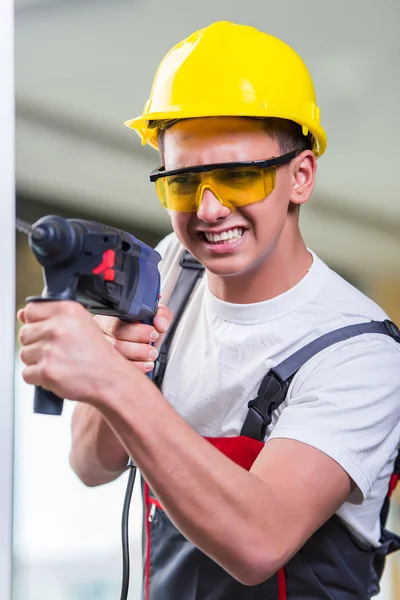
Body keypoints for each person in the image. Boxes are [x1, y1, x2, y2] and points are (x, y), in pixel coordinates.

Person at [18, 21, 400, 599]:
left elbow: (258, 540)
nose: (210, 208)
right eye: (183, 183)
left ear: (301, 176)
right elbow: (89, 465)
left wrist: (115, 386)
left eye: (238, 176)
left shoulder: (361, 351)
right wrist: (111, 369)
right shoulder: (172, 269)